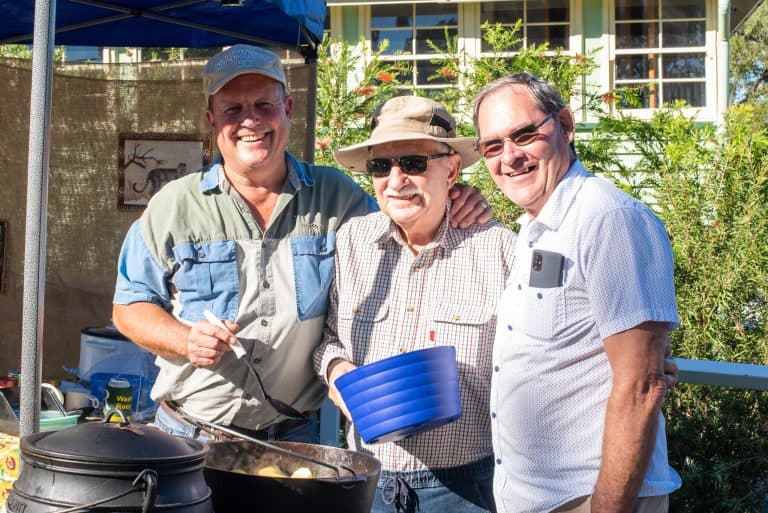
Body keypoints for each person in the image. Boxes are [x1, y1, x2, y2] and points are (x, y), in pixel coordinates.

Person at [111, 45, 489, 442]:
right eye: (233, 109)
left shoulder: (336, 198)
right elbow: (128, 306)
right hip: (190, 437)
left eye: (263, 104)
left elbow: (407, 222)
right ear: (211, 120)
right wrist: (184, 339)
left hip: (298, 440)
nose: (250, 121)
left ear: (288, 108)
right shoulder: (172, 206)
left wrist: (455, 196)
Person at [473, 72, 682, 513]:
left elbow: (642, 386)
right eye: (492, 146)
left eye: (524, 134)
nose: (509, 157)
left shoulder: (610, 219)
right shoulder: (534, 227)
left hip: (594, 499)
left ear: (565, 125)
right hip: (536, 499)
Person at [314, 95, 515, 513]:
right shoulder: (352, 242)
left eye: (414, 162)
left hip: (468, 485)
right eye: (380, 166)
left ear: (452, 168)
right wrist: (339, 376)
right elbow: (328, 338)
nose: (396, 178)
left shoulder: (500, 251)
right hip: (369, 479)